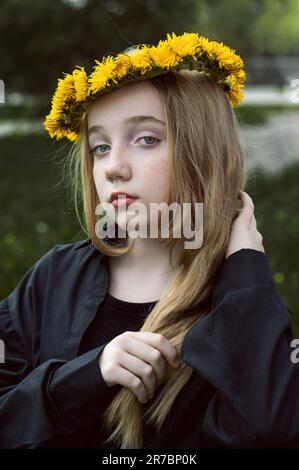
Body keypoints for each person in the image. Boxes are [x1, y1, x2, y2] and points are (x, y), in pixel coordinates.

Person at [0, 32, 298, 449]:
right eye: (100, 147)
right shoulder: (53, 278)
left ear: (204, 152)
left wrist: (246, 268)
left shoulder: (242, 304)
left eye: (146, 139)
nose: (113, 168)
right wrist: (85, 376)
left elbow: (271, 430)